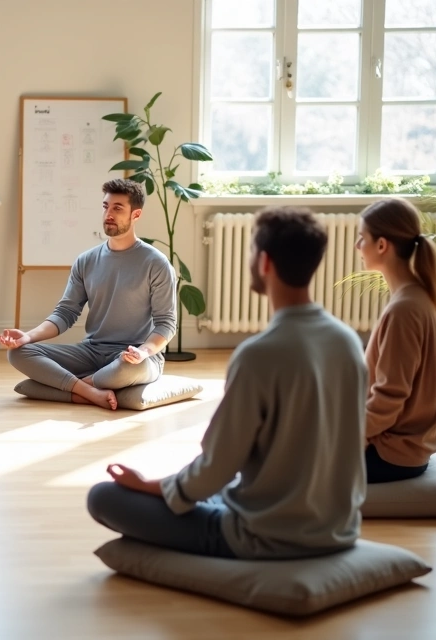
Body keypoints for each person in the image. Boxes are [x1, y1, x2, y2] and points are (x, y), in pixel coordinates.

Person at [87, 207, 367, 560]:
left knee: (103, 497)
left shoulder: (259, 354)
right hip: (339, 528)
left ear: (263, 262)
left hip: (264, 535)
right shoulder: (347, 341)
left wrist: (146, 485)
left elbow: (215, 469)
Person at [0, 179, 177, 410]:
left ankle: (79, 385)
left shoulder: (157, 263)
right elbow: (65, 313)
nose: (108, 214)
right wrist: (27, 337)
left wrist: (143, 352)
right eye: (105, 207)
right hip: (91, 351)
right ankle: (89, 392)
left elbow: (166, 324)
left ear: (136, 214)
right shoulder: (86, 260)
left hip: (135, 358)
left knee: (126, 368)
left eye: (117, 208)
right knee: (18, 354)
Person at [355, 198, 436, 483]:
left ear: (382, 245)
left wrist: (344, 435)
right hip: (404, 448)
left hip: (392, 454)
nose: (358, 246)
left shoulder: (404, 310)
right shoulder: (414, 298)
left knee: (289, 458)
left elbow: (390, 399)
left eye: (362, 238)